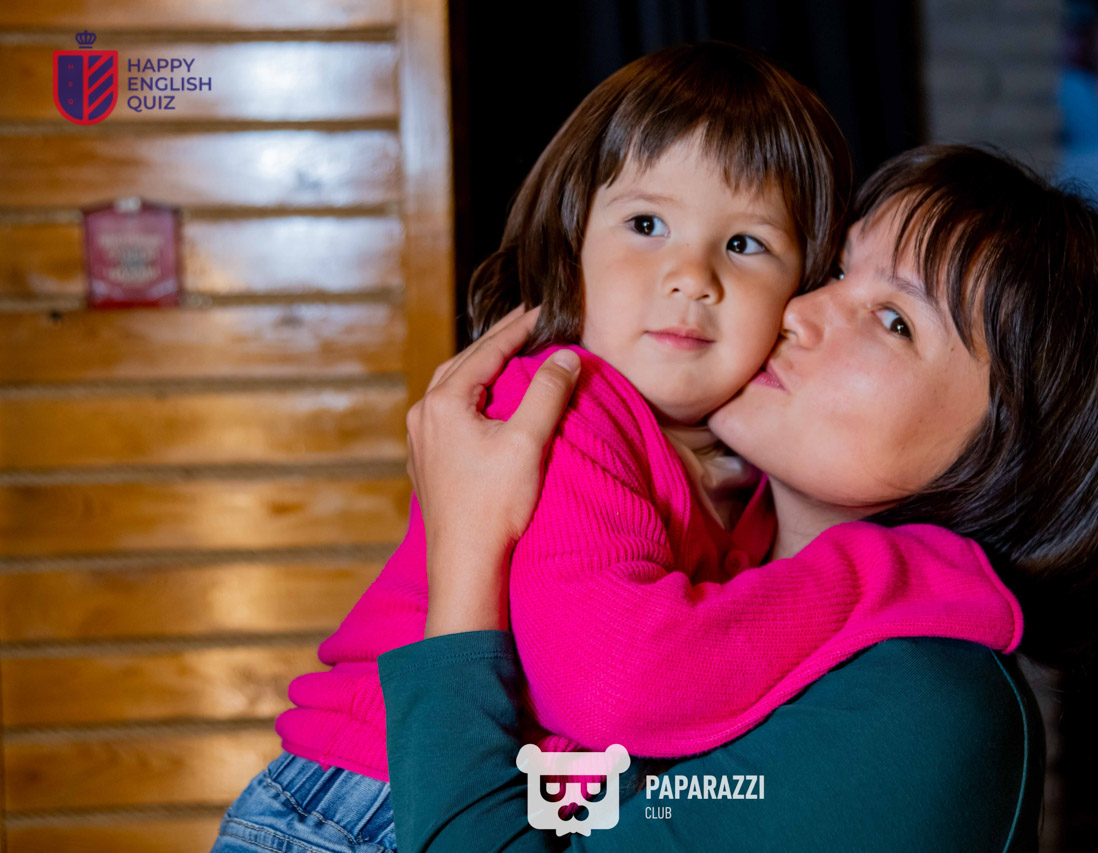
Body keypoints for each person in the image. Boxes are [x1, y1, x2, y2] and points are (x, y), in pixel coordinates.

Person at [218, 42, 995, 853]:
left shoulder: (745, 480)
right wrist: (891, 570)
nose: (691, 276)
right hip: (355, 808)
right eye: (646, 224)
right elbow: (618, 687)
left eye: (744, 244)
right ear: (572, 251)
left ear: (795, 291)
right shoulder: (561, 408)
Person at [378, 143, 1098, 850]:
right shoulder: (693, 547)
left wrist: (468, 547)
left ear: (1012, 450)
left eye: (894, 320)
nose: (798, 312)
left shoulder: (922, 704)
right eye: (837, 270)